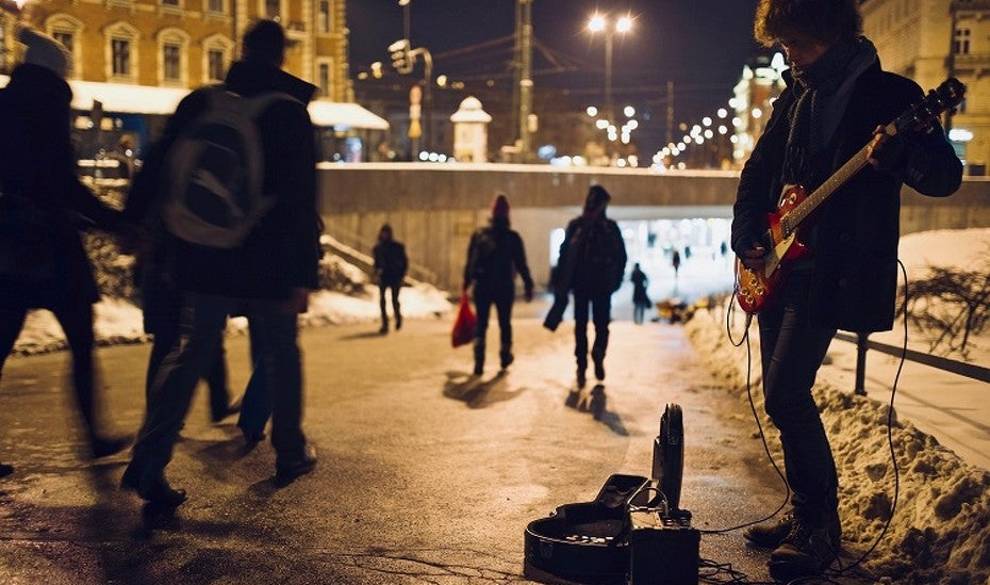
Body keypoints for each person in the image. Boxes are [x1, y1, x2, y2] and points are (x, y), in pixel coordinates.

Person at [732, 0, 962, 580]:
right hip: (782, 263)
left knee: (787, 391)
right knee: (782, 394)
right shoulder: (797, 94)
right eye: (782, 46)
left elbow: (944, 177)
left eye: (798, 45)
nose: (790, 56)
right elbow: (758, 173)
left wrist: (899, 153)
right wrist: (748, 234)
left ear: (831, 34)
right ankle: (806, 510)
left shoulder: (890, 95)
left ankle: (820, 528)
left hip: (833, 269)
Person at [121, 20, 321, 507]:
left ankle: (149, 461)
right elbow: (300, 202)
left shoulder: (202, 102)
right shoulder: (289, 114)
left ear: (242, 51)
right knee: (280, 352)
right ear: (280, 58)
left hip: (204, 252)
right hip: (268, 258)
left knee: (192, 351)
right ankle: (289, 450)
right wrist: (302, 275)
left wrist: (134, 225)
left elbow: (158, 165)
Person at [0, 27, 133, 477]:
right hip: (50, 244)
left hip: (7, 243)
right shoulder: (46, 109)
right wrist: (115, 221)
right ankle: (94, 435)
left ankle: (96, 434)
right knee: (80, 336)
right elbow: (62, 185)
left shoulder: (6, 105)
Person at [553, 186, 627, 387]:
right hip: (602, 286)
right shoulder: (610, 227)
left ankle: (581, 365)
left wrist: (562, 283)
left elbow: (563, 255)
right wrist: (616, 281)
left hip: (581, 286)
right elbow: (621, 257)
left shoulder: (576, 225)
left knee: (581, 326)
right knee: (602, 325)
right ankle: (599, 353)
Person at [463, 194, 534, 376]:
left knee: (481, 323)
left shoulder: (480, 235)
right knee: (505, 323)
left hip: (482, 285)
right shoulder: (513, 237)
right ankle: (504, 355)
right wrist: (528, 284)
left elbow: (470, 261)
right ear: (507, 215)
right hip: (504, 286)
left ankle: (479, 361)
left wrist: (466, 282)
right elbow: (521, 263)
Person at [373, 224, 408, 334]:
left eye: (386, 233)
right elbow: (376, 263)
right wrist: (376, 273)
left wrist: (401, 275)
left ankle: (398, 318)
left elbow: (404, 262)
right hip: (384, 276)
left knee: (394, 300)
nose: (384, 235)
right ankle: (385, 324)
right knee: (382, 301)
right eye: (383, 232)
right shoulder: (378, 248)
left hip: (395, 276)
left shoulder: (397, 247)